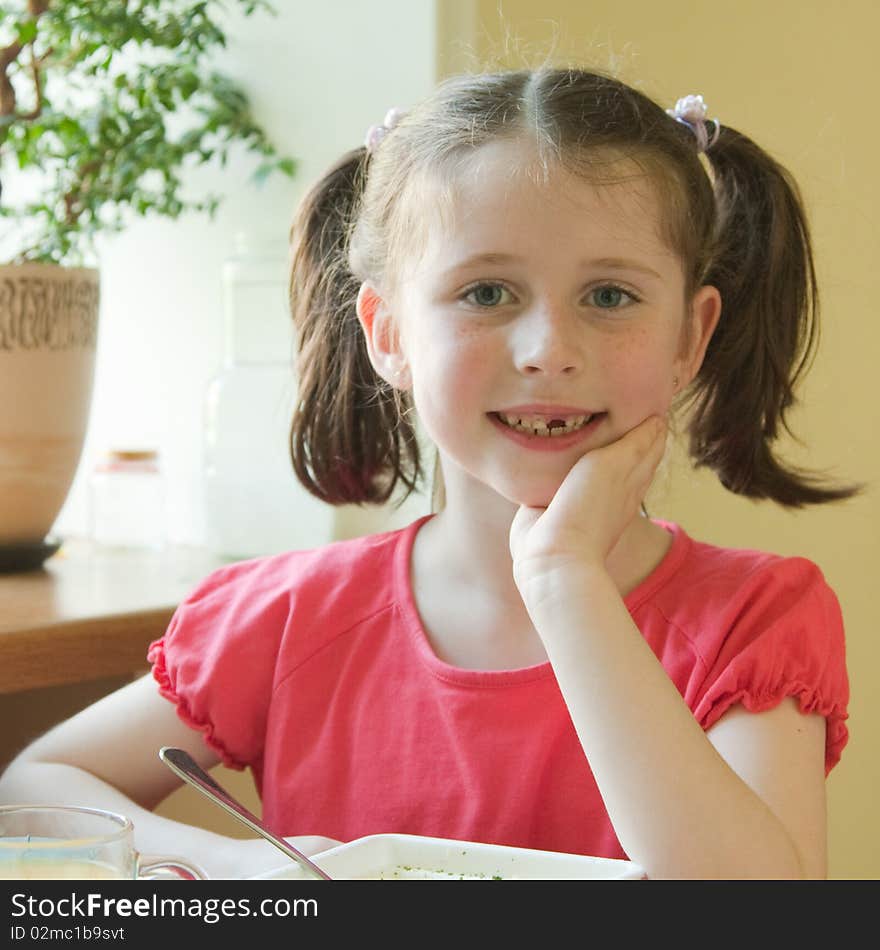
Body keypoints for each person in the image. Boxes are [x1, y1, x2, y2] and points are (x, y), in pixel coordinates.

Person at [0, 68, 860, 880]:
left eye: (609, 295)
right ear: (390, 334)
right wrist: (244, 866)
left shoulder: (755, 622)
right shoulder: (292, 617)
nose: (549, 352)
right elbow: (36, 787)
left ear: (689, 338)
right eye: (486, 293)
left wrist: (566, 581)